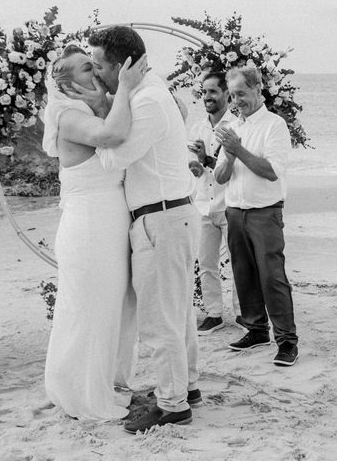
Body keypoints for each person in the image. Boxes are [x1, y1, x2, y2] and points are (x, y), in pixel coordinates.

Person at [73, 26, 201, 433]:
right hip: (170, 214)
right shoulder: (150, 93)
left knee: (159, 318)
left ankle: (172, 404)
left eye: (99, 67)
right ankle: (186, 386)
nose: (96, 75)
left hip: (159, 218)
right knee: (177, 313)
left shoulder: (145, 101)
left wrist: (107, 106)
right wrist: (110, 99)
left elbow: (114, 160)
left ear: (124, 65)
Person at [42, 44, 147, 420]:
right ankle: (80, 394)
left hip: (109, 221)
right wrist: (123, 89)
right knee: (89, 309)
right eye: (87, 69)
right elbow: (112, 135)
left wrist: (110, 97)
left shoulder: (89, 108)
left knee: (112, 307)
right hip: (89, 225)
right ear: (67, 85)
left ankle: (102, 382)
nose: (96, 72)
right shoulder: (68, 115)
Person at [214, 66, 299, 366]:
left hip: (264, 211)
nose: (236, 101)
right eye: (233, 95)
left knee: (272, 277)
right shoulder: (233, 127)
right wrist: (229, 154)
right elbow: (221, 176)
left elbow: (272, 171)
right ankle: (256, 329)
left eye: (241, 93)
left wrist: (238, 149)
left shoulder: (274, 125)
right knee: (243, 274)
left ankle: (287, 340)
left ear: (258, 89)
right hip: (235, 210)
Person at [188, 71, 242, 335]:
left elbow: (234, 167)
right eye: (204, 91)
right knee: (205, 263)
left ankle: (243, 312)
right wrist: (195, 167)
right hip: (203, 204)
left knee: (238, 262)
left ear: (226, 95)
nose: (207, 96)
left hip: (228, 202)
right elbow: (191, 165)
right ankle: (214, 314)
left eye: (213, 91)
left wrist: (206, 159)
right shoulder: (196, 128)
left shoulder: (235, 126)